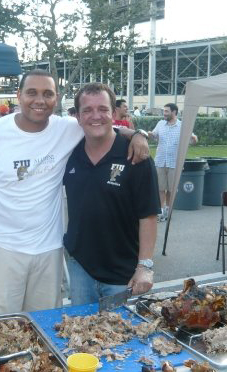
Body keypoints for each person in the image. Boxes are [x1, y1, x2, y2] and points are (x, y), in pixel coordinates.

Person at [0, 69, 149, 316]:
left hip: (49, 251)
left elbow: (101, 123)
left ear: (56, 99)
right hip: (5, 248)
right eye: (32, 93)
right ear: (18, 96)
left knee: (44, 325)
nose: (40, 100)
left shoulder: (67, 129)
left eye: (47, 94)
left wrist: (136, 134)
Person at [63, 83, 159, 305]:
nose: (95, 116)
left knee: (120, 337)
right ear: (77, 116)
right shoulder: (69, 153)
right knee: (80, 335)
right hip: (81, 268)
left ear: (114, 113)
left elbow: (149, 216)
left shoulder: (135, 157)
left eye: (103, 109)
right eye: (87, 110)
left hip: (122, 274)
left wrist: (145, 266)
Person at [150, 103, 198, 221]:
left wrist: (194, 138)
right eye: (164, 111)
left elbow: (193, 140)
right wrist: (149, 134)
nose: (164, 113)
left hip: (174, 163)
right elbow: (154, 135)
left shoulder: (182, 126)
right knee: (160, 188)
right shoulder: (160, 124)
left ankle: (168, 209)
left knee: (171, 189)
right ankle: (161, 211)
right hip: (160, 161)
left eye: (166, 111)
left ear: (174, 112)